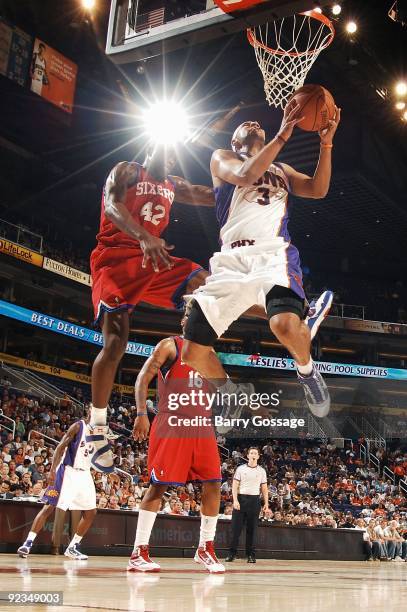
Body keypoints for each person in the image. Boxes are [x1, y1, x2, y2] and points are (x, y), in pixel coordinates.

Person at [181, 101, 340, 419]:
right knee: (191, 352)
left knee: (282, 325)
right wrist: (282, 134)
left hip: (273, 255)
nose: (253, 122)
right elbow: (244, 173)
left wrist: (326, 142)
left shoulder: (283, 170)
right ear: (234, 142)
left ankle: (307, 372)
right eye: (245, 125)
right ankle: (230, 394)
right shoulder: (222, 158)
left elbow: (318, 189)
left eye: (257, 124)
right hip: (231, 260)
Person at [88, 144, 214, 471]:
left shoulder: (173, 184)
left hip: (152, 260)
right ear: (151, 148)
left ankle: (272, 310)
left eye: (173, 153)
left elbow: (210, 193)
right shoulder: (127, 170)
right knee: (116, 343)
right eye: (164, 149)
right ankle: (97, 428)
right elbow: (113, 207)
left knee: (204, 281)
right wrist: (143, 235)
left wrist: (253, 179)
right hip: (115, 262)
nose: (169, 156)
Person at [128, 304, 224, 573]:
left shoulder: (210, 353)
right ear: (184, 322)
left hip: (201, 425)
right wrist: (140, 412)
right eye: (189, 317)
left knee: (214, 483)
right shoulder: (169, 346)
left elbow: (220, 388)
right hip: (173, 422)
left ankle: (205, 548)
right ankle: (138, 552)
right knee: (158, 486)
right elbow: (143, 376)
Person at [17, 417, 98, 560]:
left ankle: (72, 547)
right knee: (49, 507)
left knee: (91, 512)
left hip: (85, 473)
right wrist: (53, 469)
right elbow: (60, 447)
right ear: (90, 410)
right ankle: (28, 543)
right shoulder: (78, 426)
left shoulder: (100, 431)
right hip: (68, 471)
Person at [225, 447, 270, 563]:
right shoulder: (240, 469)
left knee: (252, 530)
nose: (253, 455)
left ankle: (250, 555)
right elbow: (235, 486)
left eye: (255, 453)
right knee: (236, 529)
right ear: (248, 455)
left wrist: (266, 503)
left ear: (258, 456)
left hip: (254, 501)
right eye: (251, 453)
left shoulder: (262, 471)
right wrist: (235, 500)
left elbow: (264, 488)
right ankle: (231, 554)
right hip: (241, 499)